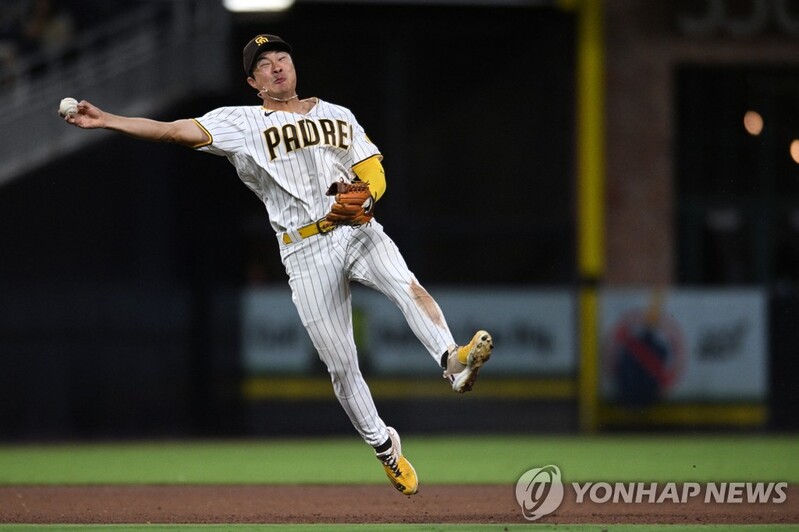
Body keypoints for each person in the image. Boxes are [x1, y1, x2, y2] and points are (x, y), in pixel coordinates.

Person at [61, 33, 493, 496]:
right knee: (341, 364)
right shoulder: (241, 122)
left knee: (406, 285)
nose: (277, 66)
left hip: (355, 228)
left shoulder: (337, 115)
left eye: (282, 57)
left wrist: (367, 194)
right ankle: (385, 446)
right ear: (254, 81)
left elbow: (372, 169)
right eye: (265, 64)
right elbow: (172, 130)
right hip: (303, 248)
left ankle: (452, 360)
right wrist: (108, 120)